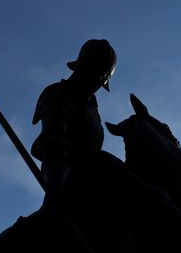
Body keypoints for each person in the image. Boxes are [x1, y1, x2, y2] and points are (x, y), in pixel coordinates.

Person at [31, 39, 117, 209]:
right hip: (67, 187)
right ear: (84, 70)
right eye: (95, 77)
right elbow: (54, 144)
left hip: (92, 187)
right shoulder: (58, 95)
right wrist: (55, 189)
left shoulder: (92, 105)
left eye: (101, 81)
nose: (97, 85)